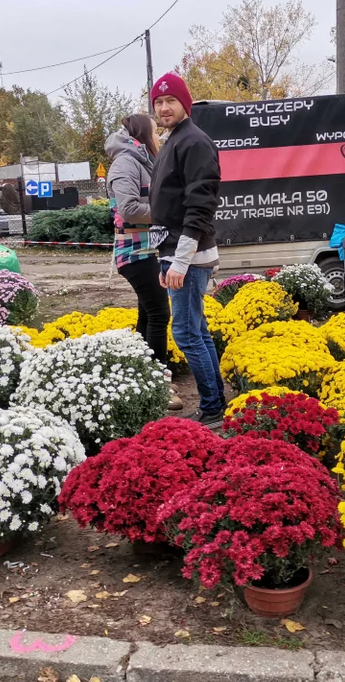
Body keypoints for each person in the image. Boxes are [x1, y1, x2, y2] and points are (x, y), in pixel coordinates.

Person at [149, 73, 225, 427]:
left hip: (189, 256)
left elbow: (200, 206)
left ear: (185, 104)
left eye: (170, 101)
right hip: (177, 253)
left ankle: (211, 408)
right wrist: (164, 258)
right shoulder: (175, 140)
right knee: (197, 330)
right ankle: (215, 403)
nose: (164, 108)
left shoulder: (193, 142)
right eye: (158, 103)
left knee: (187, 333)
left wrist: (178, 261)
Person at [106, 114, 183, 411]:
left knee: (147, 316)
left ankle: (142, 376)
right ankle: (158, 385)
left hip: (147, 250)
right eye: (155, 131)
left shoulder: (139, 160)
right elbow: (127, 209)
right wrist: (167, 210)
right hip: (135, 253)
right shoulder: (126, 162)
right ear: (141, 134)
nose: (159, 136)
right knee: (159, 313)